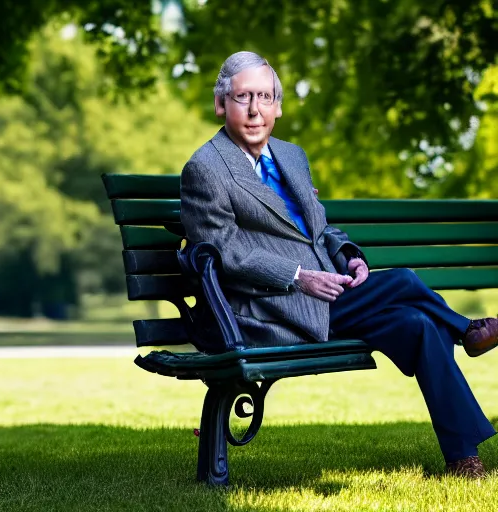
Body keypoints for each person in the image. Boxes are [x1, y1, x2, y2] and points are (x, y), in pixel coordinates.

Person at [180, 51, 498, 478]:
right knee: (403, 280)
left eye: (264, 96)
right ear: (222, 104)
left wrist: (350, 257)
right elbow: (224, 250)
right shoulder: (206, 169)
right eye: (242, 97)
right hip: (272, 308)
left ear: (277, 105)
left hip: (333, 297)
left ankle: (463, 459)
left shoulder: (292, 156)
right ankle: (465, 329)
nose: (254, 109)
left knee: (419, 325)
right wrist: (298, 278)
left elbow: (321, 229)